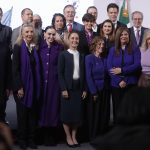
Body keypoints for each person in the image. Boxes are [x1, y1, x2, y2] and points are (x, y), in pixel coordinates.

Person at [12, 23, 40, 150]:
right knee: (22, 116)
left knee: (32, 115)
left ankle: (31, 139)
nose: (29, 34)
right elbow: (15, 69)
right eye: (27, 32)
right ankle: (22, 140)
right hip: (22, 87)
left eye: (31, 32)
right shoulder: (18, 47)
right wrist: (19, 87)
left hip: (33, 86)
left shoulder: (34, 47)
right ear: (22, 33)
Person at [58, 31, 87, 147]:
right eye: (72, 38)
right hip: (68, 88)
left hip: (78, 88)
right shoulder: (63, 54)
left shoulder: (81, 55)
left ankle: (74, 136)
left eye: (77, 39)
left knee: (77, 115)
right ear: (68, 40)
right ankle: (68, 136)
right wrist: (63, 88)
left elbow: (83, 74)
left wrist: (85, 89)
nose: (75, 40)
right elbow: (60, 73)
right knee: (66, 115)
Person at [107, 27, 141, 123]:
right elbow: (109, 67)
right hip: (116, 85)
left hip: (131, 84)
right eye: (121, 34)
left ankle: (130, 134)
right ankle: (118, 134)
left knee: (130, 110)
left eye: (125, 34)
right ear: (118, 36)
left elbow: (137, 65)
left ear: (129, 36)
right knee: (117, 110)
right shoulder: (112, 50)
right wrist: (119, 81)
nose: (123, 36)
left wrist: (122, 70)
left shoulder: (135, 48)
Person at [38, 26, 64, 146]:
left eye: (53, 34)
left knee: (53, 109)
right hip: (42, 84)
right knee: (42, 108)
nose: (51, 37)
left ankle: (52, 136)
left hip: (54, 84)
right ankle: (42, 135)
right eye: (49, 34)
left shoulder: (59, 48)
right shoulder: (39, 48)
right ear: (44, 34)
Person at [85, 36, 110, 141]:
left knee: (103, 113)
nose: (102, 46)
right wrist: (94, 92)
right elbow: (88, 76)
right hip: (94, 91)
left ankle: (101, 136)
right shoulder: (89, 58)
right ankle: (93, 137)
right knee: (94, 114)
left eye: (103, 44)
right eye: (99, 44)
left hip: (104, 90)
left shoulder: (104, 59)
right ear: (94, 45)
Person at [0, 7, 12, 123]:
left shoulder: (7, 30)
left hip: (2, 79)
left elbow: (8, 60)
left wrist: (8, 85)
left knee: (1, 109)